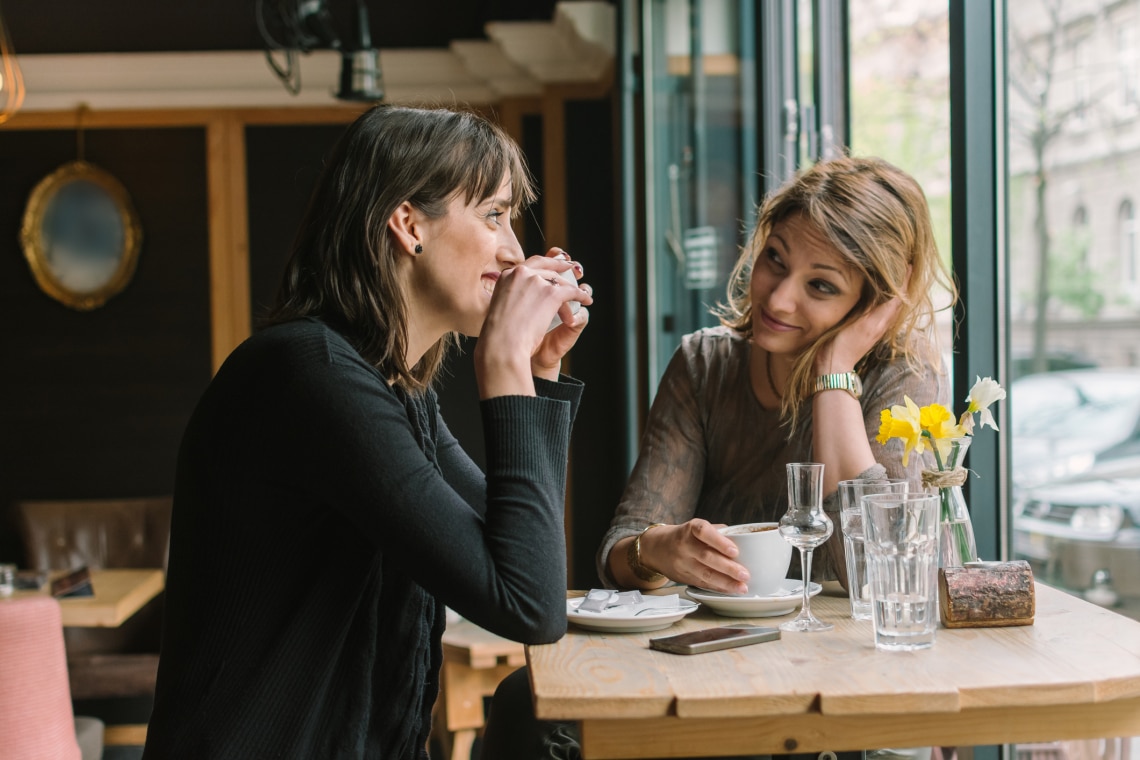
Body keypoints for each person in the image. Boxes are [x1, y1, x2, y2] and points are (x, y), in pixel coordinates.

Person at [141, 104, 593, 760]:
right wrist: (501, 368)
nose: (514, 251)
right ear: (408, 224)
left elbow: (525, 558)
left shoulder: (392, 393)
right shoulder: (309, 376)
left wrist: (536, 375)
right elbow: (529, 605)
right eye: (493, 214)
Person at [598, 154, 954, 597]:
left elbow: (885, 581)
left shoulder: (905, 375)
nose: (779, 299)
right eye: (776, 259)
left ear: (875, 302)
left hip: (847, 657)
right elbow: (618, 553)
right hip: (722, 648)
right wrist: (654, 550)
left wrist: (834, 372)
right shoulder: (703, 365)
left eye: (821, 285)